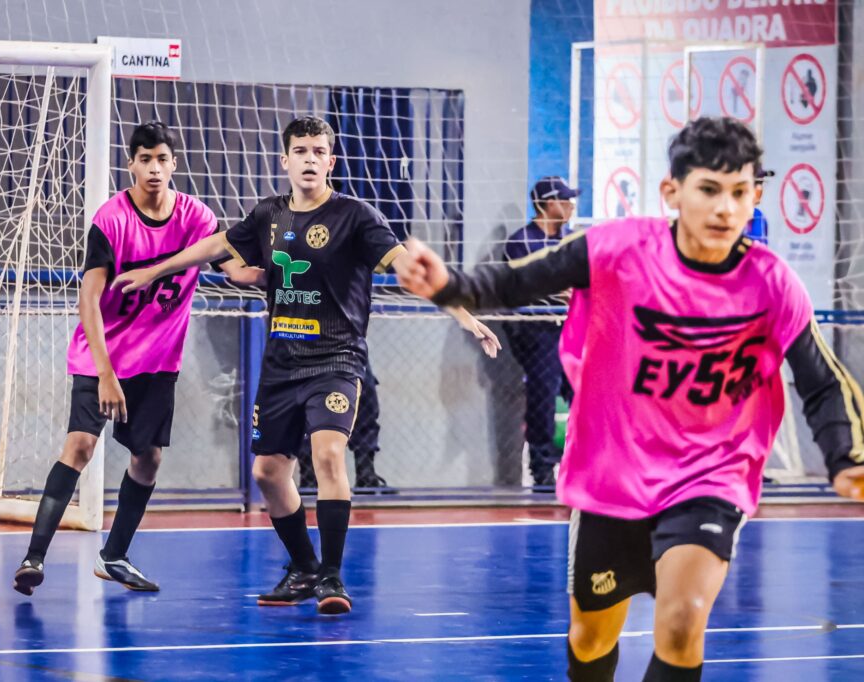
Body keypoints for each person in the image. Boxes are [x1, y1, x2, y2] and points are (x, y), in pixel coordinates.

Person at [397, 116, 864, 681]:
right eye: (709, 190)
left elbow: (822, 378)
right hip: (614, 472)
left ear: (755, 196)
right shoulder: (618, 249)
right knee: (591, 640)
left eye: (739, 192)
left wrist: (845, 459)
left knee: (683, 620)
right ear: (673, 191)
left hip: (710, 476)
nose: (725, 208)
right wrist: (449, 286)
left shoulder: (772, 284)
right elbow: (520, 279)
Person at [113, 116, 498, 615]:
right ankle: (303, 568)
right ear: (286, 160)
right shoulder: (268, 215)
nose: (311, 159)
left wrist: (464, 315)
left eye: (320, 151)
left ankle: (333, 578)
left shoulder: (355, 217)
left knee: (329, 456)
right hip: (280, 363)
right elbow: (217, 245)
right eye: (302, 151)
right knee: (269, 472)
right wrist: (154, 269)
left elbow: (409, 270)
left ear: (331, 161)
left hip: (336, 360)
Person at [13, 121, 255, 596]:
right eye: (144, 159)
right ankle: (33, 559)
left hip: (158, 361)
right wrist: (105, 373)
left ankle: (115, 555)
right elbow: (89, 298)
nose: (154, 168)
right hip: (101, 355)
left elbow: (237, 271)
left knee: (148, 458)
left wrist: (276, 274)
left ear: (174, 164)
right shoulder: (111, 219)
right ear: (131, 164)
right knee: (80, 446)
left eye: (162, 159)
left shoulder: (197, 217)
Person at [502, 176, 579, 488]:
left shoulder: (570, 238)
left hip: (570, 328)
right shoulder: (522, 241)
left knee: (583, 395)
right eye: (565, 200)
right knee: (543, 397)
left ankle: (578, 463)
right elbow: (530, 284)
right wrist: (561, 289)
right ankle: (542, 469)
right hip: (537, 330)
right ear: (548, 204)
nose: (572, 206)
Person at [296, 358, 391, 493]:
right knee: (308, 403)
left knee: (364, 395)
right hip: (307, 347)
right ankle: (309, 476)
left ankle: (365, 473)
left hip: (347, 345)